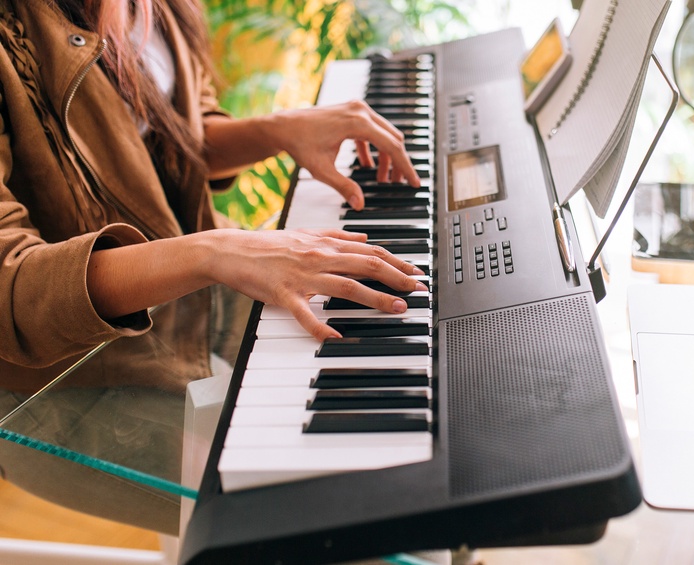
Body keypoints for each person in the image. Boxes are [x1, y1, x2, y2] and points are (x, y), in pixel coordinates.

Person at [0, 0, 426, 373]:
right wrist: (213, 252)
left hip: (193, 301)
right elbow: (11, 287)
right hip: (89, 369)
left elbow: (172, 141)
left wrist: (278, 130)